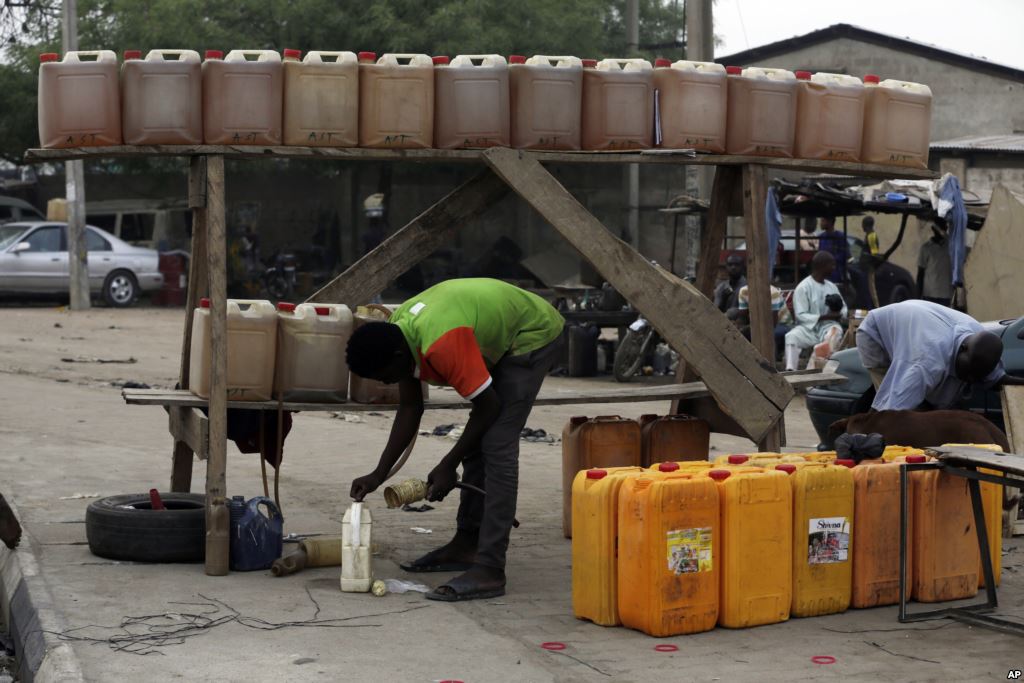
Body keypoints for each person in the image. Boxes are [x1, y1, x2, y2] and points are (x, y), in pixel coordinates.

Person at [346, 278, 564, 602]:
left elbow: (488, 405)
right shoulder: (398, 333)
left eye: (385, 375)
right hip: (489, 325)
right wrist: (379, 474)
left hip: (532, 333)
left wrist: (447, 464)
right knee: (477, 442)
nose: (386, 382)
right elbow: (410, 406)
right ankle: (467, 545)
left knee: (497, 444)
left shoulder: (441, 344)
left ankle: (490, 569)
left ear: (396, 354)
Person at [856, 299, 1024, 411]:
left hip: (920, 323)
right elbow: (891, 410)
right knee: (905, 412)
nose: (971, 380)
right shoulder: (924, 363)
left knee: (929, 407)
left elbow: (999, 380)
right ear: (963, 348)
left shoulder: (981, 346)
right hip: (876, 334)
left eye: (976, 377)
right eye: (969, 374)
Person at [784, 251, 846, 371]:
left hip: (828, 326)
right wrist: (825, 317)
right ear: (821, 265)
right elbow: (800, 315)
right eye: (831, 265)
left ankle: (815, 372)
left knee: (834, 334)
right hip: (808, 329)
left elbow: (843, 307)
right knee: (791, 337)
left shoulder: (831, 286)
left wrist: (839, 314)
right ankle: (790, 372)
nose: (834, 268)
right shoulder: (803, 287)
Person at [735, 283, 792, 361]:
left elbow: (773, 322)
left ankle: (771, 362)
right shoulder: (744, 291)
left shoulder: (773, 292)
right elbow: (743, 315)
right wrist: (739, 327)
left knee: (767, 334)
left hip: (782, 323)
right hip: (758, 323)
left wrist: (753, 328)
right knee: (741, 333)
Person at [917, 226, 953, 306]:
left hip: (946, 294)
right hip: (929, 294)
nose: (943, 231)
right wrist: (917, 295)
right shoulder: (926, 248)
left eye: (944, 228)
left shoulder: (950, 246)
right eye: (940, 228)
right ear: (934, 229)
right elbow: (920, 272)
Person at [815, 217, 849, 284]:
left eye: (823, 220)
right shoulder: (821, 237)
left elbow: (844, 255)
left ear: (830, 222)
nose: (820, 223)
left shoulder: (840, 237)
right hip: (822, 275)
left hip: (836, 275)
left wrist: (830, 260)